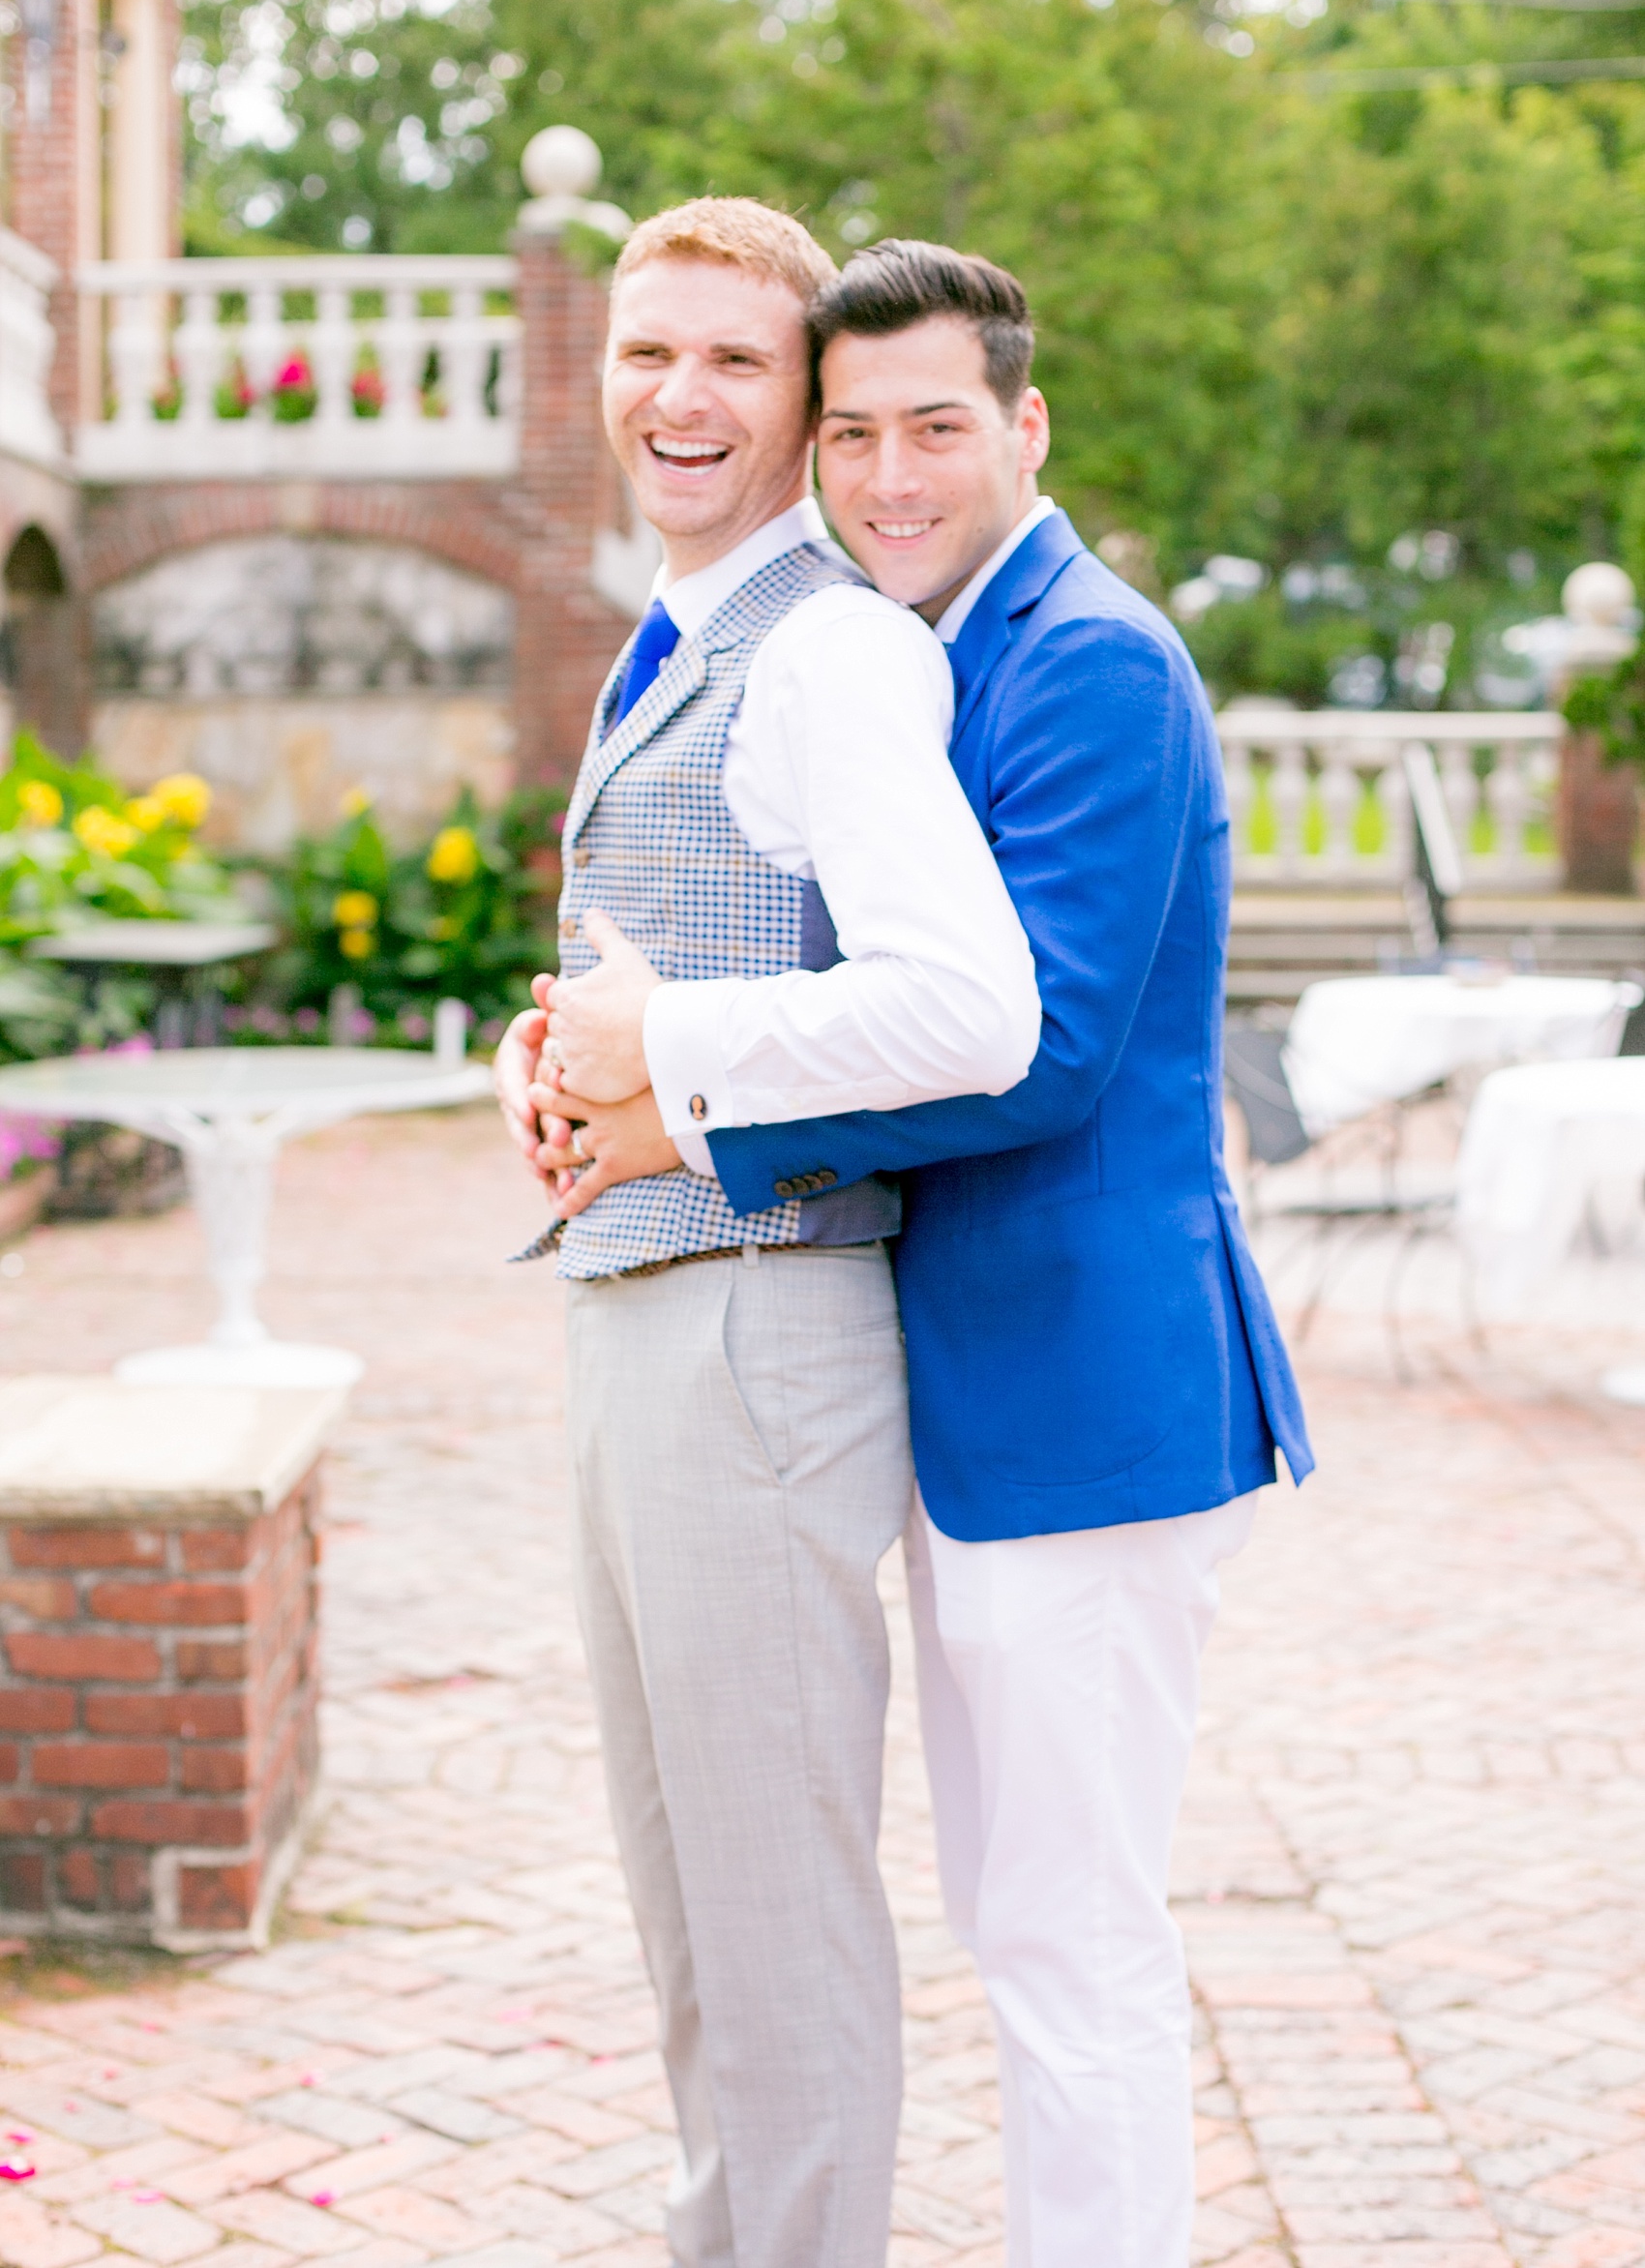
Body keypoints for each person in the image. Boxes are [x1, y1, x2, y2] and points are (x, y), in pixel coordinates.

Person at [507, 238, 1314, 2268]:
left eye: (930, 425)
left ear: (1026, 426)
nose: (883, 472)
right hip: (975, 1372)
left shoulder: (1090, 659)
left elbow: (1023, 1045)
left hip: (1089, 1379)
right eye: (852, 429)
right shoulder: (936, 632)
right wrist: (612, 1076)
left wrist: (666, 1079)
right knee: (1016, 1915)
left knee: (1064, 1933)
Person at [498, 198, 1041, 2268]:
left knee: (776, 1921)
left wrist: (668, 1045)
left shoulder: (825, 649)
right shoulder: (684, 631)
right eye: (648, 351)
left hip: (755, 1326)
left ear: (805, 401)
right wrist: (544, 1056)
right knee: (686, 1909)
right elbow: (655, 958)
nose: (680, 396)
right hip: (643, 1314)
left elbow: (971, 1007)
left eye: (735, 358)